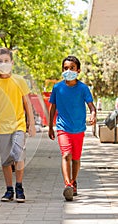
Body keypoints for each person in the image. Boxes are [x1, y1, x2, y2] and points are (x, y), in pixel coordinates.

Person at [0, 47, 36, 203]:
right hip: (2, 127)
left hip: (18, 124)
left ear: (12, 63)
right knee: (6, 160)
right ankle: (9, 189)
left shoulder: (19, 80)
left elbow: (27, 102)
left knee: (18, 155)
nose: (4, 63)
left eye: (6, 61)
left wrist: (31, 123)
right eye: (0, 61)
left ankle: (19, 187)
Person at [48, 56, 96, 201]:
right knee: (66, 155)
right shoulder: (57, 87)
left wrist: (93, 115)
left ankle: (74, 182)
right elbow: (52, 107)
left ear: (78, 70)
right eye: (65, 68)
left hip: (79, 128)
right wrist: (51, 126)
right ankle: (67, 184)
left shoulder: (83, 88)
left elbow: (91, 106)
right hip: (62, 128)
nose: (68, 71)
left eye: (72, 68)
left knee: (76, 159)